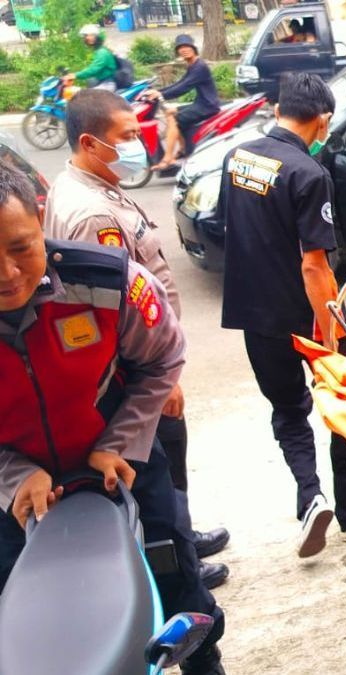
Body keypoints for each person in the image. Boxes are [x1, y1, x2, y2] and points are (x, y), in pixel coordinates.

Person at [0, 164, 226, 674]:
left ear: (41, 222)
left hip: (119, 456)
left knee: (177, 575)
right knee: (20, 622)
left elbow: (163, 357)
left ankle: (203, 661)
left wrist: (120, 442)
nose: (7, 274)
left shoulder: (107, 280)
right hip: (16, 487)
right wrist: (12, 477)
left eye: (20, 248)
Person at [42, 88, 230, 589]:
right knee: (157, 472)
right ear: (90, 142)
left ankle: (184, 532)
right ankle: (180, 560)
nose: (137, 145)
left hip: (147, 357)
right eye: (126, 137)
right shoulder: (93, 215)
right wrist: (160, 380)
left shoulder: (89, 184)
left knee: (168, 469)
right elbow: (107, 315)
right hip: (138, 368)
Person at [218, 72, 346, 558]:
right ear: (322, 120)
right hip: (303, 316)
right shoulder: (308, 173)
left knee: (288, 412)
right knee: (341, 398)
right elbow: (314, 263)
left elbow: (233, 229)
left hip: (252, 313)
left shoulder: (236, 157)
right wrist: (330, 331)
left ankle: (310, 496)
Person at [144, 35, 221, 171]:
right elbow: (180, 83)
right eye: (181, 48)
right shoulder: (193, 65)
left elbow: (184, 87)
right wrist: (157, 91)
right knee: (169, 112)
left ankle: (168, 158)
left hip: (207, 106)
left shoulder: (199, 67)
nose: (184, 50)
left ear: (193, 48)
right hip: (201, 103)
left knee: (174, 119)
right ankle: (184, 148)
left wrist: (161, 94)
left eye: (187, 46)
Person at [71, 24, 118, 90]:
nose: (88, 38)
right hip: (101, 82)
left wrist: (75, 75)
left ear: (97, 37)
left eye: (92, 35)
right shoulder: (99, 51)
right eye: (86, 36)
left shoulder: (102, 52)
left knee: (89, 97)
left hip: (108, 84)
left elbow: (93, 69)